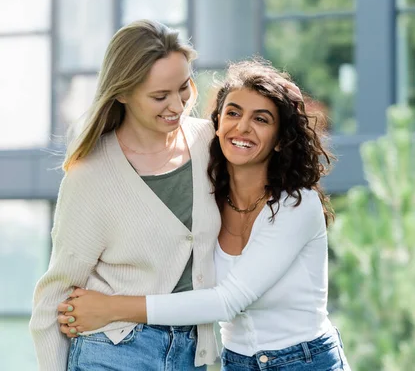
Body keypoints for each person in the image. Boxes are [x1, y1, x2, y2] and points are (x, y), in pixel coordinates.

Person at [57, 60, 352, 370]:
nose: (242, 128)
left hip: (304, 360)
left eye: (261, 119)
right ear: (218, 123)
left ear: (280, 140)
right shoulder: (207, 200)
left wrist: (111, 308)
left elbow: (226, 301)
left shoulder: (296, 204)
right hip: (237, 362)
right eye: (233, 113)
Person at [29, 19, 221, 370]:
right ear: (122, 92)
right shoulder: (91, 173)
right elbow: (55, 294)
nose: (177, 106)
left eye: (183, 88)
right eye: (159, 96)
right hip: (113, 350)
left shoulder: (211, 143)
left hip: (194, 351)